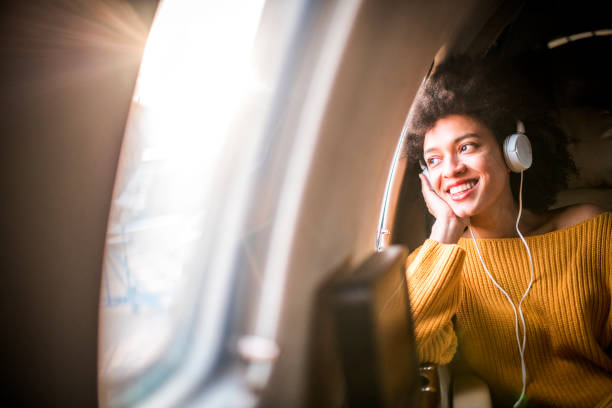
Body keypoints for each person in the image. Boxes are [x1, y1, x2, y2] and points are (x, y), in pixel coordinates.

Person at [403, 55, 611, 407]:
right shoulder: (440, 263)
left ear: (513, 150)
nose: (451, 169)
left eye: (466, 146)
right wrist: (445, 230)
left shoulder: (591, 228)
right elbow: (411, 350)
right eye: (434, 159)